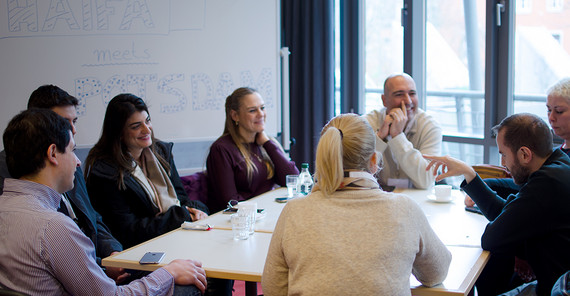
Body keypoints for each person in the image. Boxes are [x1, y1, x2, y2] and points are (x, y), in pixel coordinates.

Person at [0, 108, 206, 295]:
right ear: (53, 153)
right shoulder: (53, 227)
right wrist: (168, 273)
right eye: (72, 150)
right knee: (189, 286)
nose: (77, 161)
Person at [262, 114, 451, 295]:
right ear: (374, 161)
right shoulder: (404, 209)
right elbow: (436, 273)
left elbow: (273, 288)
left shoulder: (295, 211)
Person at [425, 113, 570, 296]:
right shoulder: (559, 165)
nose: (503, 164)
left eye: (503, 154)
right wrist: (469, 174)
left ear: (524, 154)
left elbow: (492, 238)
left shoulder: (546, 184)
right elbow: (507, 218)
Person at [0, 85, 129, 283]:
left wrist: (113, 251)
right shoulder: (11, 169)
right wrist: (100, 265)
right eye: (64, 122)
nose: (73, 129)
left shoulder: (70, 159)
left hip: (93, 266)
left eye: (74, 121)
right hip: (72, 273)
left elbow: (92, 216)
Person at [84, 94, 209, 249]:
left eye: (147, 121)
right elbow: (127, 231)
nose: (146, 129)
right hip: (140, 251)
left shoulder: (162, 151)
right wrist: (181, 216)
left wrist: (196, 211)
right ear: (119, 133)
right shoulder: (105, 172)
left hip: (176, 236)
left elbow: (182, 198)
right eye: (136, 126)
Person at [465, 78, 570, 207]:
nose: (551, 117)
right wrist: (487, 184)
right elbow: (529, 184)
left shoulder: (557, 166)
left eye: (559, 111)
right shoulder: (558, 152)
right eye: (548, 110)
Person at [205, 87, 299, 213]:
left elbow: (292, 179)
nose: (261, 114)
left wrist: (268, 144)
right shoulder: (221, 149)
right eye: (252, 110)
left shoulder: (265, 143)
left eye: (263, 108)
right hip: (239, 222)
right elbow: (230, 202)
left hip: (266, 213)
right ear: (235, 115)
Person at [364, 73, 442, 190]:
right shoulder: (367, 123)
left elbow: (427, 180)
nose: (408, 101)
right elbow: (359, 173)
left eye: (412, 94)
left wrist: (398, 137)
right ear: (384, 100)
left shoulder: (430, 127)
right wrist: (380, 138)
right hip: (378, 196)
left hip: (417, 199)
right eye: (399, 94)